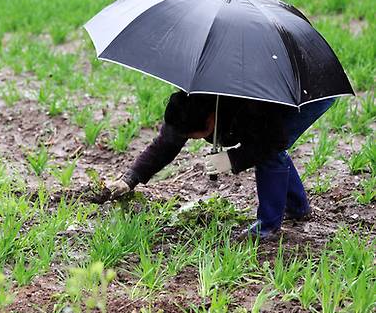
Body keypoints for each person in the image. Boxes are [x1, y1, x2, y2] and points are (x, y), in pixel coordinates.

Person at [106, 91, 336, 240]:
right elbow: (166, 144)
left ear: (210, 120)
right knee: (269, 150)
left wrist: (233, 159)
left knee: (270, 153)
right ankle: (298, 208)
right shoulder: (189, 103)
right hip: (259, 110)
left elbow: (271, 142)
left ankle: (267, 227)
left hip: (305, 97)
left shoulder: (249, 105)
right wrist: (131, 177)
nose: (193, 139)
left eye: (196, 135)